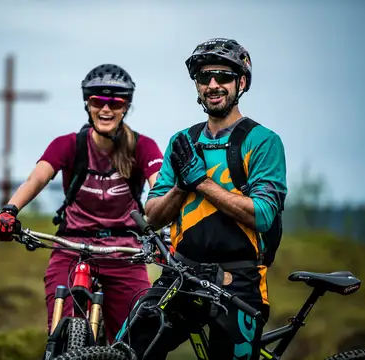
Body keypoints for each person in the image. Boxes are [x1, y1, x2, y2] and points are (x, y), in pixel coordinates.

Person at [117, 38, 288, 360]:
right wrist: (182, 186)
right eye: (203, 77)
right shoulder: (182, 141)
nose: (212, 85)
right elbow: (152, 217)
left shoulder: (264, 142)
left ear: (242, 82)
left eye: (223, 76)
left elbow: (263, 214)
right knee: (127, 350)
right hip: (181, 273)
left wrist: (202, 182)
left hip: (238, 279)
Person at [0, 64, 164, 343]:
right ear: (87, 104)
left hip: (124, 252)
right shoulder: (68, 144)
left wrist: (172, 230)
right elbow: (37, 178)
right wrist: (9, 211)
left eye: (115, 102)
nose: (106, 109)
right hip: (72, 248)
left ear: (126, 107)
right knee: (61, 332)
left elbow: (161, 188)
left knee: (138, 337)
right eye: (97, 101)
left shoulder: (143, 147)